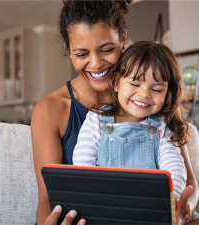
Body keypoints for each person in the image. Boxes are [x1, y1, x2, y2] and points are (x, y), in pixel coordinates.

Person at [31, 0, 199, 224]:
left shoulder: (151, 100)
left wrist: (181, 209)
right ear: (69, 52)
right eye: (81, 54)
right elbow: (46, 199)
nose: (96, 63)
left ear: (123, 39)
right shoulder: (50, 110)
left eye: (107, 49)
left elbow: (188, 182)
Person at [73, 40, 193, 222]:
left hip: (155, 206)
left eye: (156, 89)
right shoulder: (96, 119)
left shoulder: (163, 124)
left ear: (167, 94)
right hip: (108, 205)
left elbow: (174, 166)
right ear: (116, 83)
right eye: (135, 84)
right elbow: (83, 164)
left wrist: (172, 201)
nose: (145, 94)